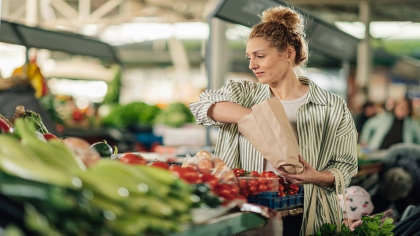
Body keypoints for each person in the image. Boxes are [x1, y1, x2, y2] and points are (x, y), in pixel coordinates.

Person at [189, 5, 358, 236]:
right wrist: (258, 119)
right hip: (249, 213)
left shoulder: (331, 106)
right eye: (249, 57)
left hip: (309, 214)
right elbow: (202, 106)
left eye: (260, 56)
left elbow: (346, 167)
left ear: (288, 54)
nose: (252, 65)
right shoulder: (244, 94)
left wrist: (316, 176)